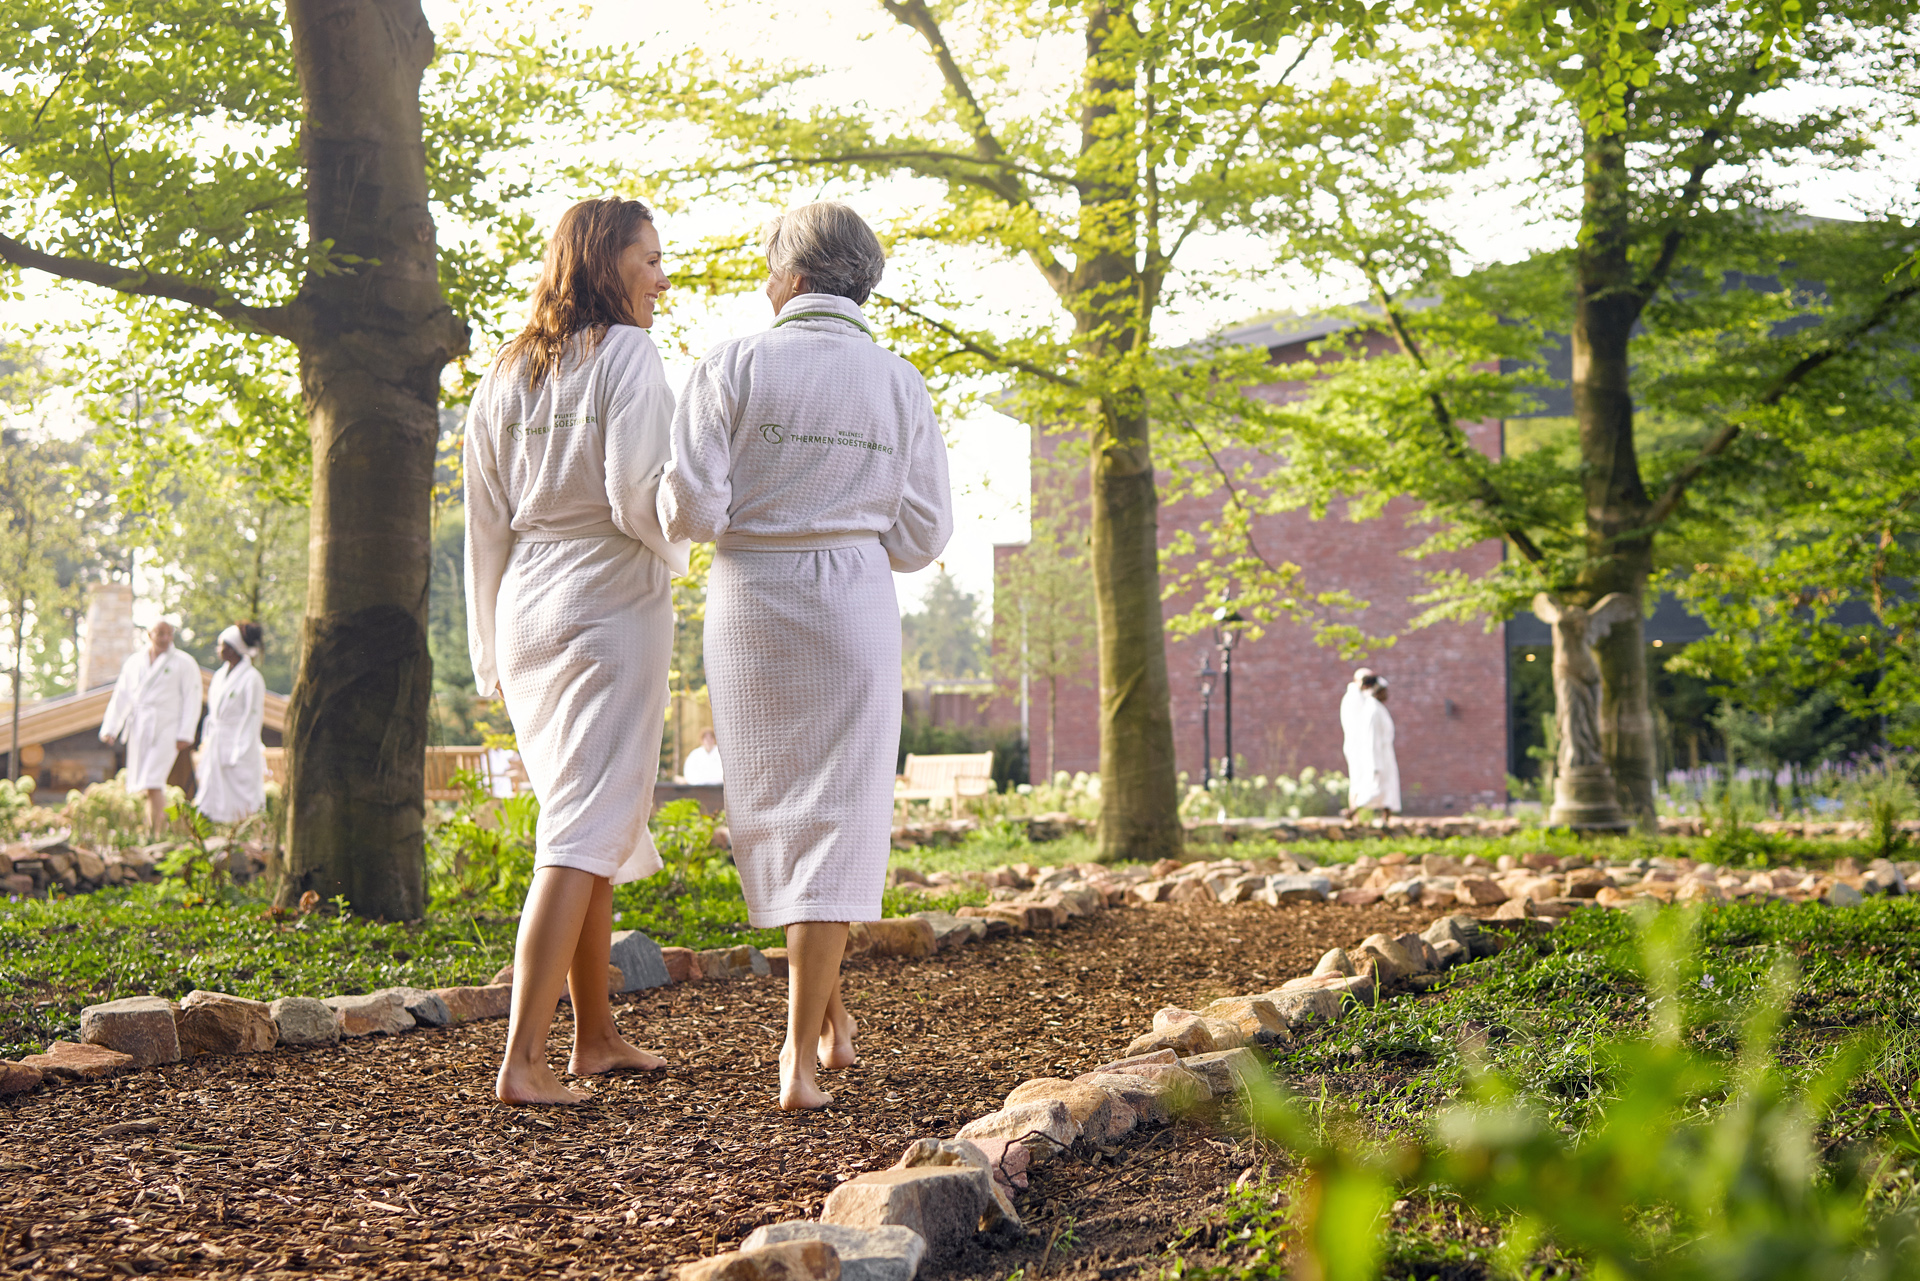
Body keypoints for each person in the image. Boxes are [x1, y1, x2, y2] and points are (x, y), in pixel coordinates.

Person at [660, 201, 952, 1110]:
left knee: (777, 808)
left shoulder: (732, 363)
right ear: (862, 278)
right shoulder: (900, 380)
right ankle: (817, 1031)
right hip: (856, 601)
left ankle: (799, 1044)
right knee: (843, 815)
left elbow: (697, 512)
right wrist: (852, 520)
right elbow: (925, 533)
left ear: (789, 275)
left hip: (754, 600)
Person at [465, 196, 691, 1106]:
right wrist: (688, 532)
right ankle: (521, 1060)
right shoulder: (628, 356)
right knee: (578, 829)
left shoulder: (504, 372)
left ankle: (595, 1036)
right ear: (607, 264)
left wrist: (490, 650)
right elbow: (640, 495)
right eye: (649, 260)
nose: (662, 279)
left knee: (584, 817)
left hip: (528, 605)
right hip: (607, 601)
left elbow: (483, 526)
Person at [99, 619, 203, 833]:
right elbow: (122, 696)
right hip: (140, 726)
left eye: (169, 634)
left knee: (153, 780)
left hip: (168, 726)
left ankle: (158, 832)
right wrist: (111, 728)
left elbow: (193, 698)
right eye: (160, 634)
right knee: (141, 783)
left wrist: (186, 732)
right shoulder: (134, 662)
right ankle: (149, 830)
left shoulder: (184, 663)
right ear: (149, 635)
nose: (165, 639)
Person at [195, 622, 267, 823]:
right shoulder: (219, 676)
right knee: (213, 790)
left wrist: (241, 748)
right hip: (218, 740)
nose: (219, 650)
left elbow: (253, 715)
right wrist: (207, 740)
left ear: (235, 649)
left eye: (223, 646)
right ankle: (217, 832)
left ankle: (252, 834)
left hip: (241, 742)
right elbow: (212, 713)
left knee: (244, 793)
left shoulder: (252, 678)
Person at [1346, 678, 1401, 821]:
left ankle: (1386, 818)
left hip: (1385, 755)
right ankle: (1353, 810)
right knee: (1375, 789)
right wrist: (1374, 763)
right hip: (1378, 758)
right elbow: (1371, 739)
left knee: (1389, 789)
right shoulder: (1373, 710)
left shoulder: (1378, 708)